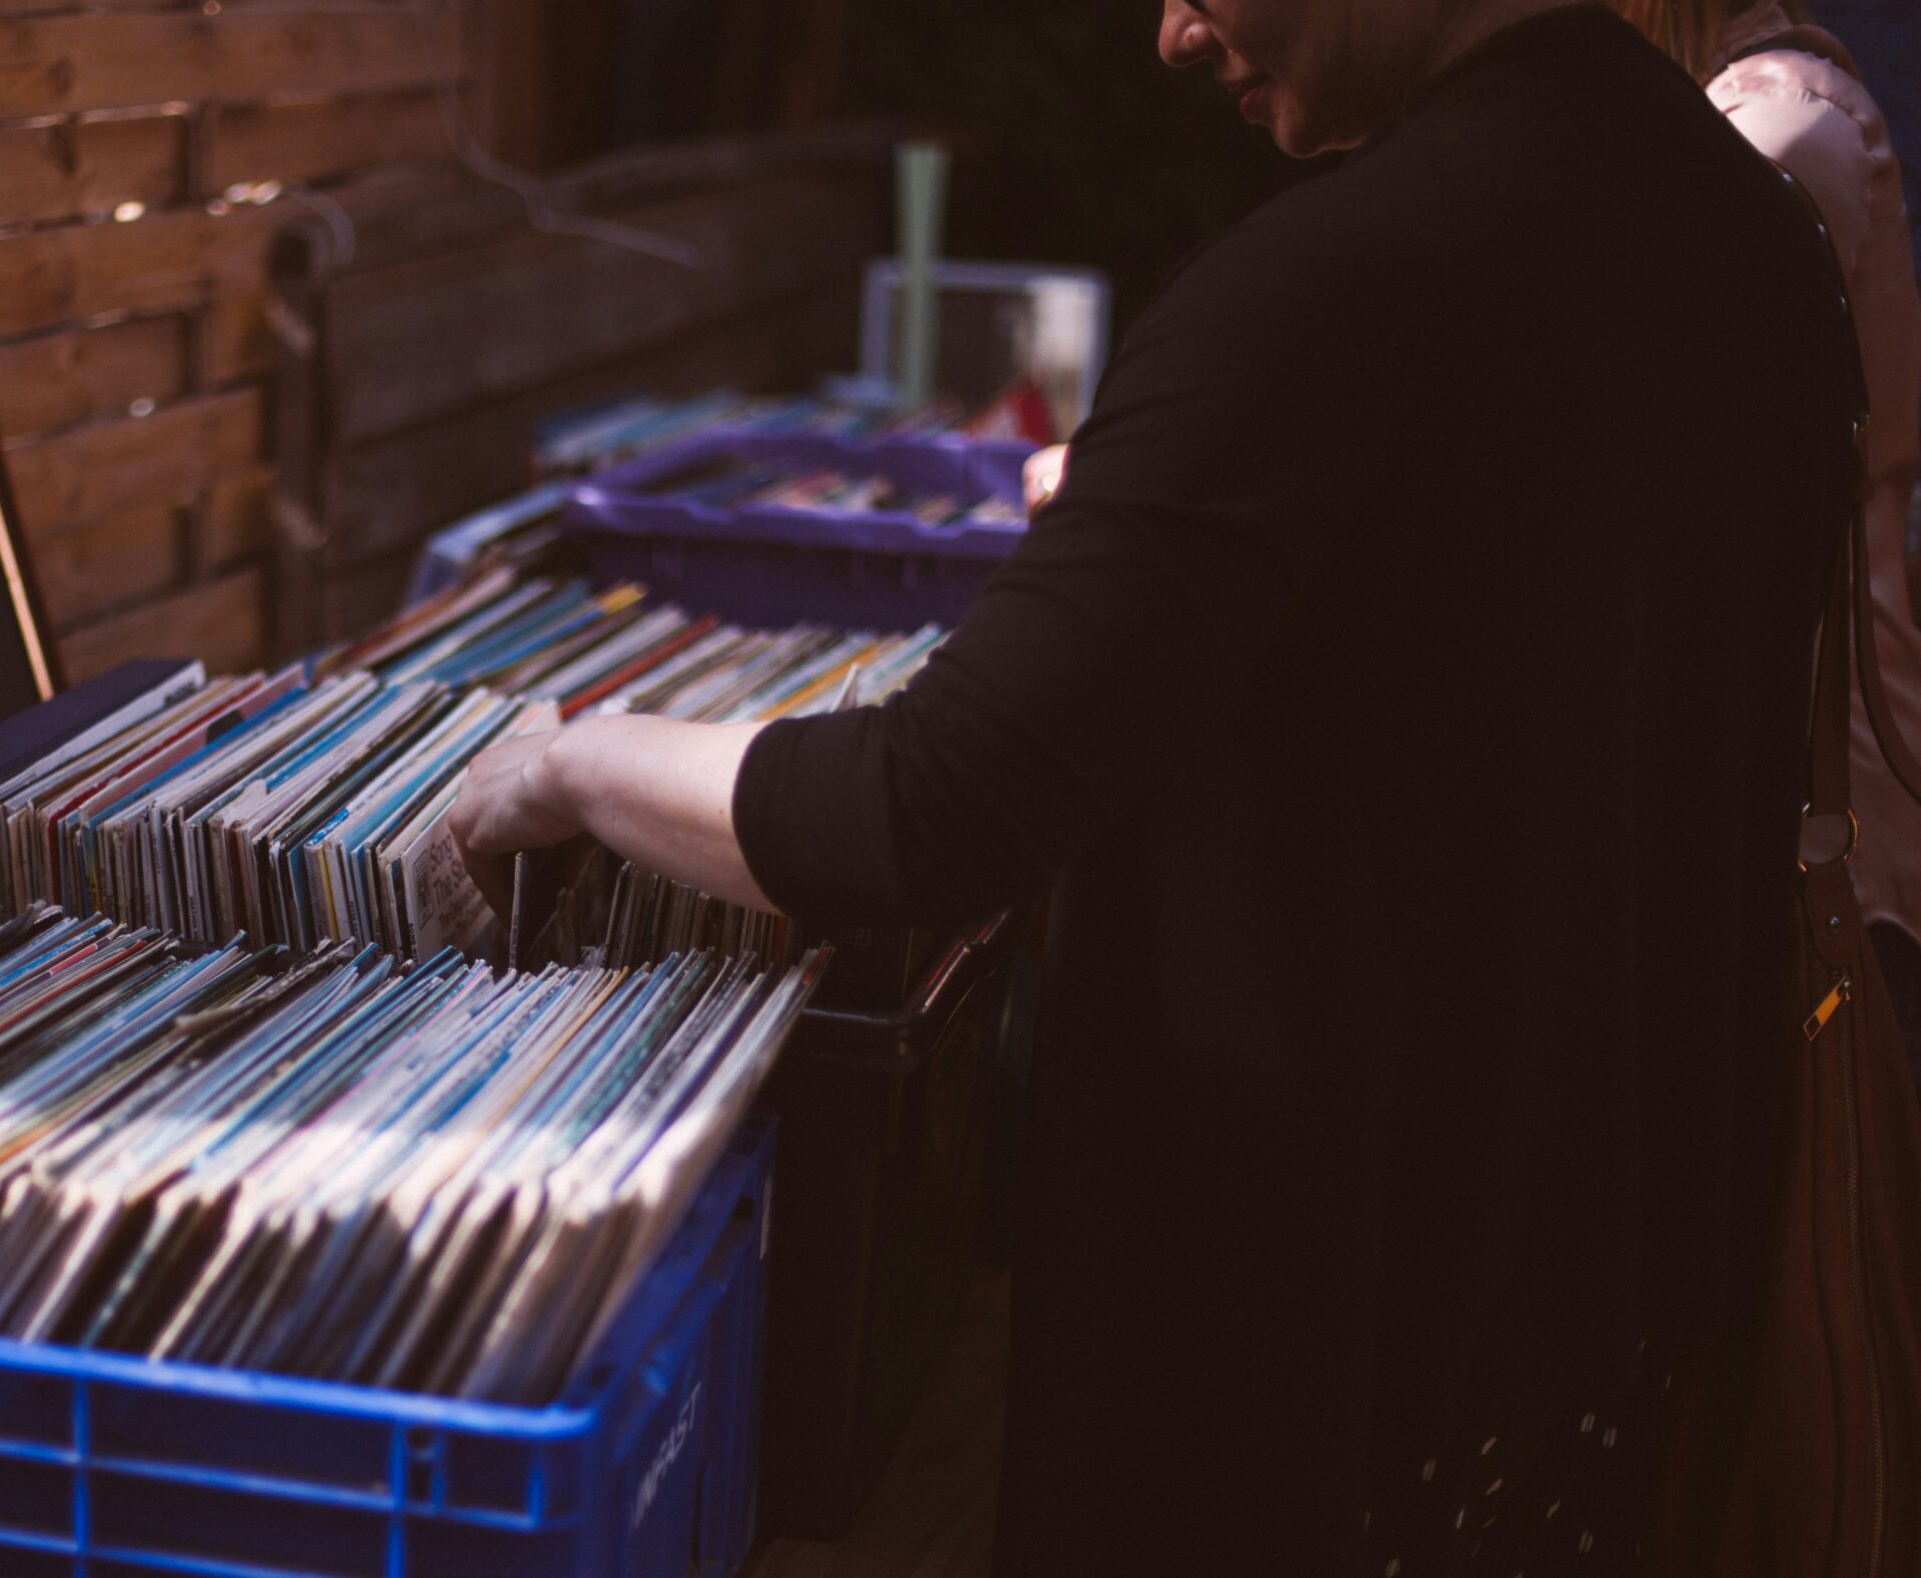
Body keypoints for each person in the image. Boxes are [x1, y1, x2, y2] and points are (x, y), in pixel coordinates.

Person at [451, 1, 1860, 1571]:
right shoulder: (1754, 238)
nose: (1174, 35)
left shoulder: (1337, 282)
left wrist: (575, 761)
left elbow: (928, 805)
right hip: (1612, 1341)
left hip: (1314, 1368)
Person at [1612, 0, 1921, 1086]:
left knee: (1812, 1233)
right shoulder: (1718, 117)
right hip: (1761, 814)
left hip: (1806, 836)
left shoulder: (1783, 120)